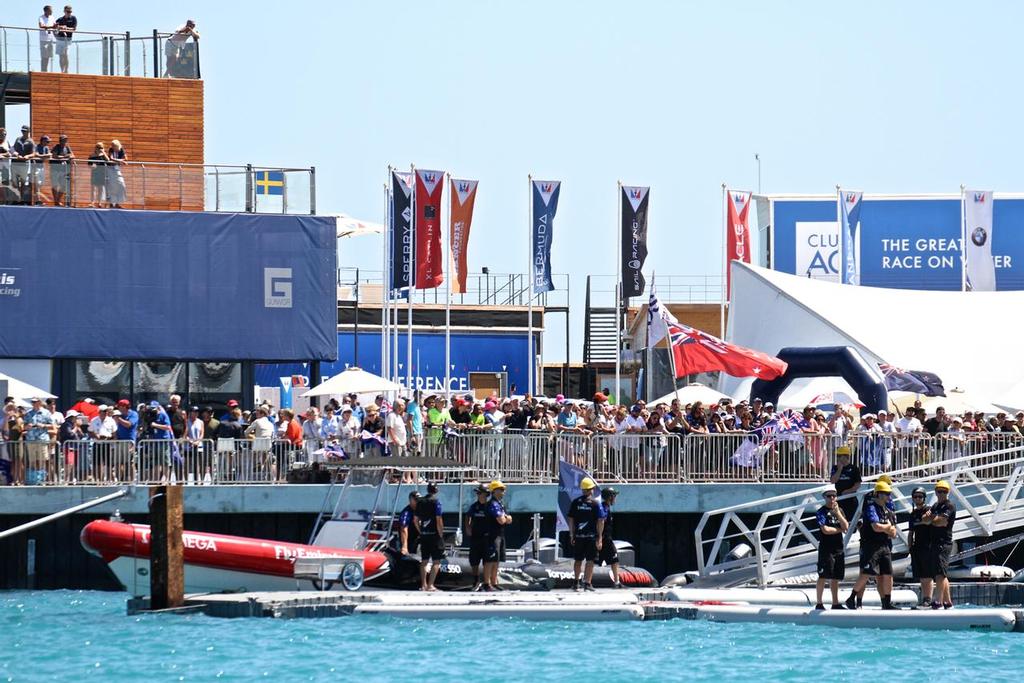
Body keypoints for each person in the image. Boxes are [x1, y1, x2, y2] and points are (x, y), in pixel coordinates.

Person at [845, 480, 899, 610]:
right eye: (886, 494)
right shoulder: (871, 508)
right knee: (867, 572)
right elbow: (876, 527)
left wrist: (887, 528)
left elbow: (894, 531)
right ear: (879, 494)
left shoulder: (887, 509)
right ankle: (852, 598)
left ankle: (887, 602)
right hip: (871, 545)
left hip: (884, 545)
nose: (888, 497)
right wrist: (888, 527)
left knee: (887, 574)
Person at [568, 477, 606, 592]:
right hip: (591, 537)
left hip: (578, 536)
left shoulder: (575, 502)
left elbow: (571, 519)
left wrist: (571, 534)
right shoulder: (596, 503)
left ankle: (576, 582)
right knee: (590, 560)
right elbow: (601, 521)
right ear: (591, 489)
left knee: (578, 560)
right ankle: (587, 583)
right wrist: (600, 538)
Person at [814, 485, 849, 610]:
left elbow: (846, 526)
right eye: (829, 496)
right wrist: (839, 529)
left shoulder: (840, 510)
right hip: (826, 548)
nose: (832, 498)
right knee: (823, 575)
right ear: (824, 497)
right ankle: (819, 602)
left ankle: (835, 603)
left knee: (836, 576)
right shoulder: (821, 512)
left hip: (838, 547)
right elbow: (825, 530)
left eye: (834, 495)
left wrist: (838, 513)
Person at [925, 480, 957, 609]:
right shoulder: (935, 506)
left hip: (943, 542)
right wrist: (933, 518)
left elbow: (941, 522)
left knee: (940, 573)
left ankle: (937, 601)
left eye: (944, 491)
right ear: (936, 492)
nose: (941, 494)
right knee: (940, 572)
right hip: (934, 542)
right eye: (939, 491)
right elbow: (926, 520)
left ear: (948, 492)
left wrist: (932, 518)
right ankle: (947, 602)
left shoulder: (950, 506)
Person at [414, 482, 445, 591]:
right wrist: (440, 534)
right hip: (434, 535)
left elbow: (415, 520)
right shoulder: (436, 502)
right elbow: (438, 519)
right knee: (436, 561)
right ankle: (430, 585)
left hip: (424, 535)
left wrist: (420, 530)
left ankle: (423, 585)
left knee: (424, 560)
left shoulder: (420, 502)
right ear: (436, 490)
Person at [907, 486, 934, 608]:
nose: (917, 499)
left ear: (924, 498)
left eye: (920, 496)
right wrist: (909, 547)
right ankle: (924, 599)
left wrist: (926, 518)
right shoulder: (913, 514)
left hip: (927, 546)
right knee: (921, 575)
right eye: (915, 497)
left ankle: (928, 599)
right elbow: (911, 532)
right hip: (917, 546)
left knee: (927, 575)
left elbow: (929, 522)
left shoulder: (928, 510)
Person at [483, 480, 512, 591]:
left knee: (496, 559)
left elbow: (509, 518)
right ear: (494, 491)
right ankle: (487, 583)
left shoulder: (500, 504)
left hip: (499, 535)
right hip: (492, 535)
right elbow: (501, 520)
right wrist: (506, 518)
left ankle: (494, 582)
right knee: (490, 560)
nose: (503, 492)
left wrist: (506, 518)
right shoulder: (493, 504)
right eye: (501, 489)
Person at [465, 484, 491, 591]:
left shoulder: (490, 506)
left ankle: (487, 582)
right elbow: (467, 516)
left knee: (487, 561)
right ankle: (475, 580)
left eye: (480, 493)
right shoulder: (474, 506)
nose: (478, 495)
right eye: (477, 493)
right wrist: (468, 528)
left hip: (487, 537)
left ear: (485, 494)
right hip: (476, 537)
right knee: (474, 560)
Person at [830, 446, 862, 522]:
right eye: (838, 456)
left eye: (840, 456)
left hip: (851, 500)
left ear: (846, 456)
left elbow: (857, 485)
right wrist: (839, 469)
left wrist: (848, 491)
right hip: (839, 500)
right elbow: (833, 481)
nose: (838, 458)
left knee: (852, 523)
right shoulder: (835, 468)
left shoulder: (854, 469)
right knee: (839, 522)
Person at [599, 486, 621, 587]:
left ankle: (617, 582)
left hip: (605, 539)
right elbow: (601, 521)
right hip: (604, 539)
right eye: (614, 496)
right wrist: (599, 538)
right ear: (610, 497)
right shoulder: (604, 508)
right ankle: (617, 582)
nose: (615, 499)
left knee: (613, 559)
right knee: (614, 559)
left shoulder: (606, 507)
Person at [49, 134, 73, 206]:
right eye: (63, 140)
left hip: (63, 170)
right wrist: (65, 157)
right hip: (55, 169)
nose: (64, 141)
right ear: (60, 141)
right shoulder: (57, 147)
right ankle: (56, 201)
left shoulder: (67, 147)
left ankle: (57, 200)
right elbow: (54, 155)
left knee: (63, 186)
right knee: (55, 185)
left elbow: (72, 155)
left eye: (65, 140)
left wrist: (63, 157)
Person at [54, 5, 77, 74]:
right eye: (68, 11)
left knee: (66, 54)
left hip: (68, 39)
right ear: (64, 11)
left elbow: (74, 28)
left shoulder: (73, 18)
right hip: (59, 39)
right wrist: (60, 28)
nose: (69, 13)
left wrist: (66, 28)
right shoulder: (60, 19)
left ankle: (66, 70)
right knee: (61, 56)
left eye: (70, 11)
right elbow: (54, 26)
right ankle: (62, 70)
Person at [105, 140, 127, 208]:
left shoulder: (121, 149)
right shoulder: (111, 149)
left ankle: (118, 203)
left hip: (117, 169)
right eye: (112, 146)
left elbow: (126, 158)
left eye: (114, 146)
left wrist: (120, 161)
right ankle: (112, 203)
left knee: (121, 184)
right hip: (110, 168)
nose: (112, 147)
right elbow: (110, 158)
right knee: (112, 186)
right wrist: (121, 161)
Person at [398, 491, 419, 556]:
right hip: (409, 539)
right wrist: (404, 546)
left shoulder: (421, 510)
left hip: (418, 538)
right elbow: (403, 529)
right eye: (416, 500)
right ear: (411, 500)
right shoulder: (406, 512)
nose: (418, 501)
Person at [87, 142, 108, 207]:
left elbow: (108, 160)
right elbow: (89, 164)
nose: (99, 149)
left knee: (100, 188)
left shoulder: (103, 155)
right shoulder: (92, 155)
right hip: (94, 173)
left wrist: (103, 152)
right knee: (93, 188)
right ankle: (92, 202)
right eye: (98, 147)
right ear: (95, 148)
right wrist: (92, 166)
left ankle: (99, 202)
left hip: (102, 173)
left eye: (101, 148)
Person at [39, 6, 57, 72]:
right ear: (46, 11)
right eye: (50, 10)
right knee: (44, 56)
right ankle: (43, 71)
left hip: (50, 39)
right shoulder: (41, 17)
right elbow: (41, 26)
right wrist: (52, 26)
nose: (52, 11)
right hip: (43, 40)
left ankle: (46, 70)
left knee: (49, 56)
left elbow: (55, 25)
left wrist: (58, 26)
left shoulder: (52, 17)